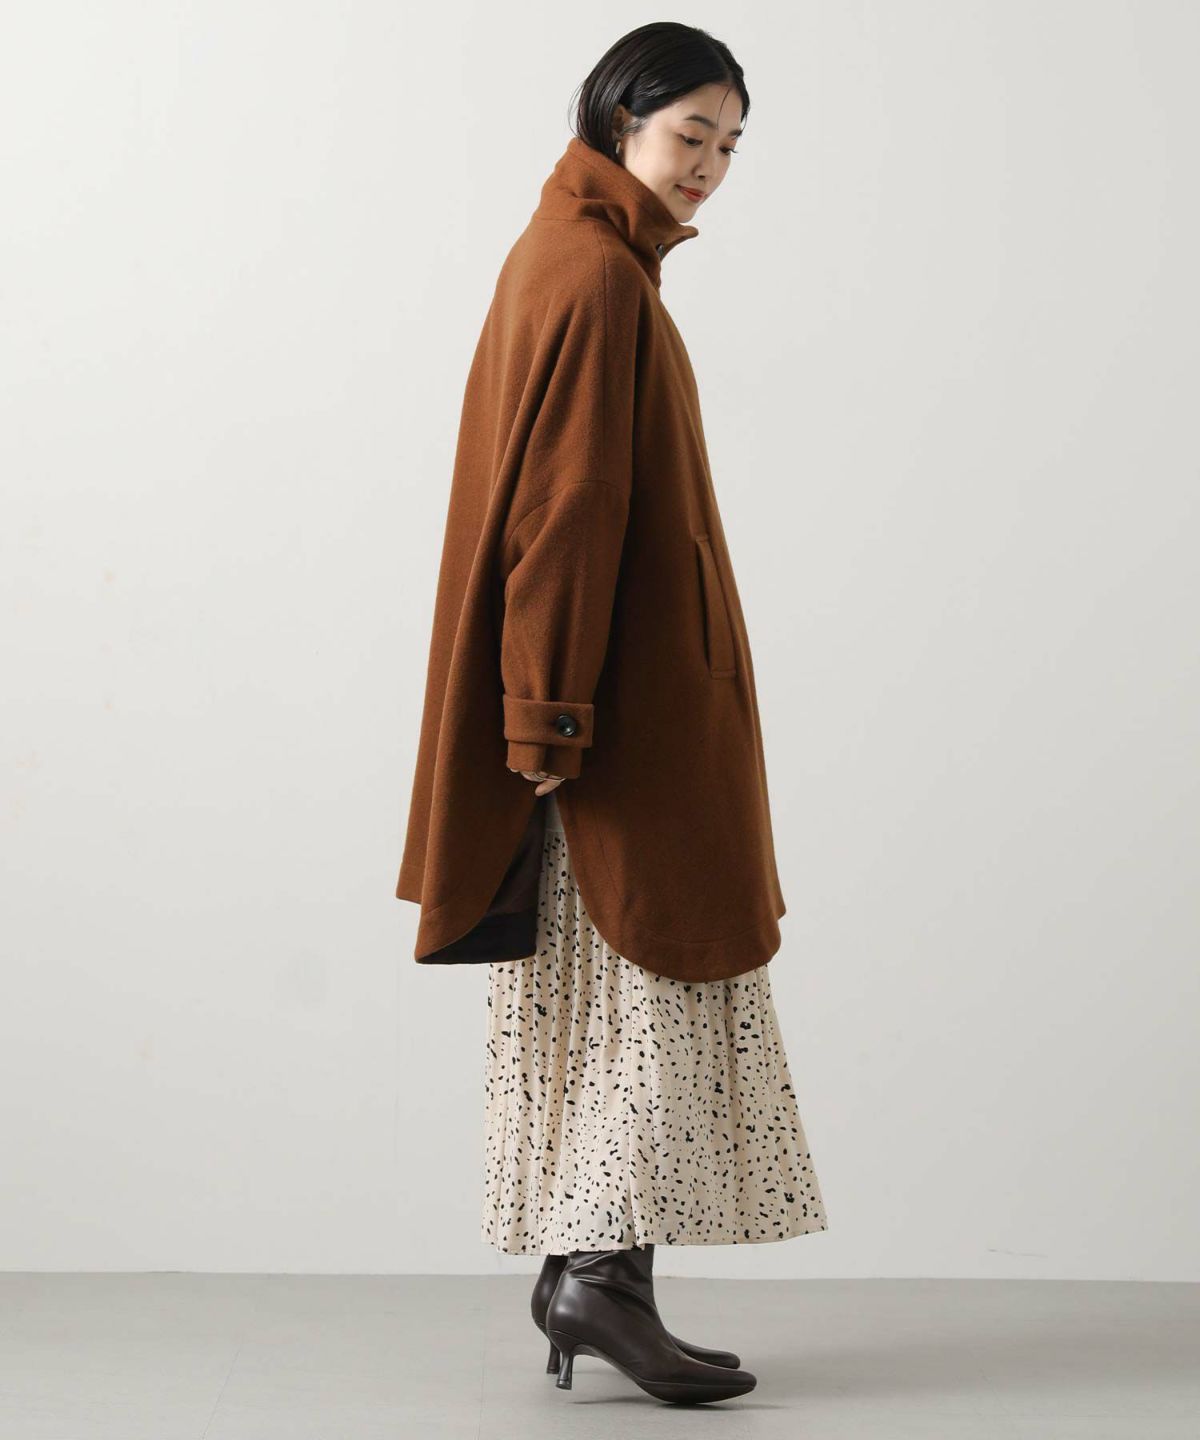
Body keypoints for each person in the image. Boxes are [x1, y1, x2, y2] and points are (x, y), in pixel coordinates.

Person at [397, 22, 827, 1405]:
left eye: (729, 145)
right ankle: (599, 1282)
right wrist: (548, 720)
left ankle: (587, 1276)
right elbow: (563, 513)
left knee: (607, 995)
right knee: (648, 989)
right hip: (618, 722)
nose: (708, 166)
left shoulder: (583, 255)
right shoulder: (595, 275)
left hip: (610, 704)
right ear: (617, 120)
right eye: (689, 135)